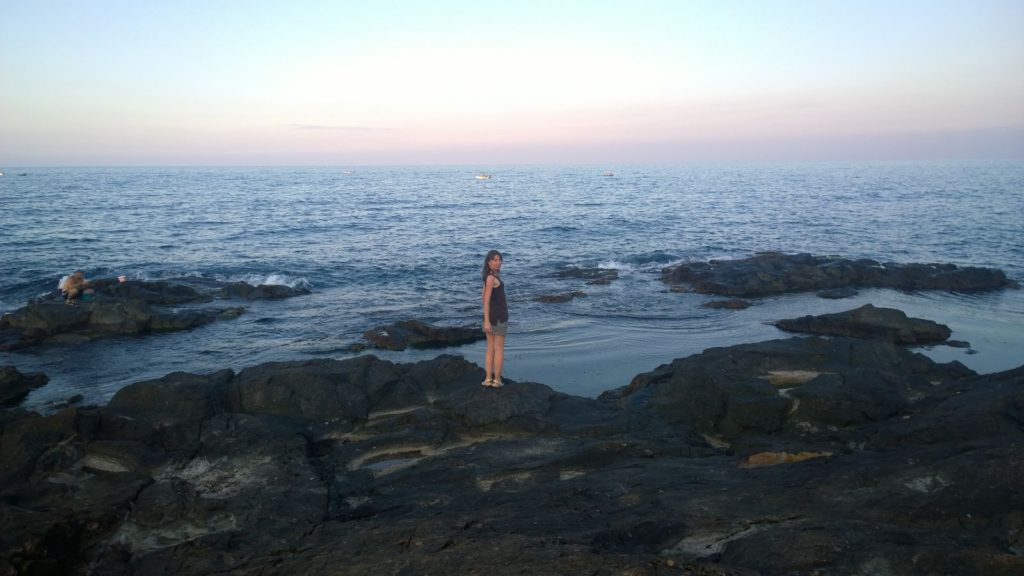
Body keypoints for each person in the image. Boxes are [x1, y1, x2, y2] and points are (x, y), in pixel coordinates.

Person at [481, 250, 508, 388]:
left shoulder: (488, 277)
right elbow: (486, 301)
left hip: (491, 316)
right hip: (498, 317)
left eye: (500, 260)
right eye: (495, 260)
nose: (498, 262)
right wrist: (487, 321)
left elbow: (483, 297)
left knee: (490, 348)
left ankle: (487, 379)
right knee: (498, 349)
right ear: (489, 262)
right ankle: (496, 380)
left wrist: (486, 319)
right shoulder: (491, 278)